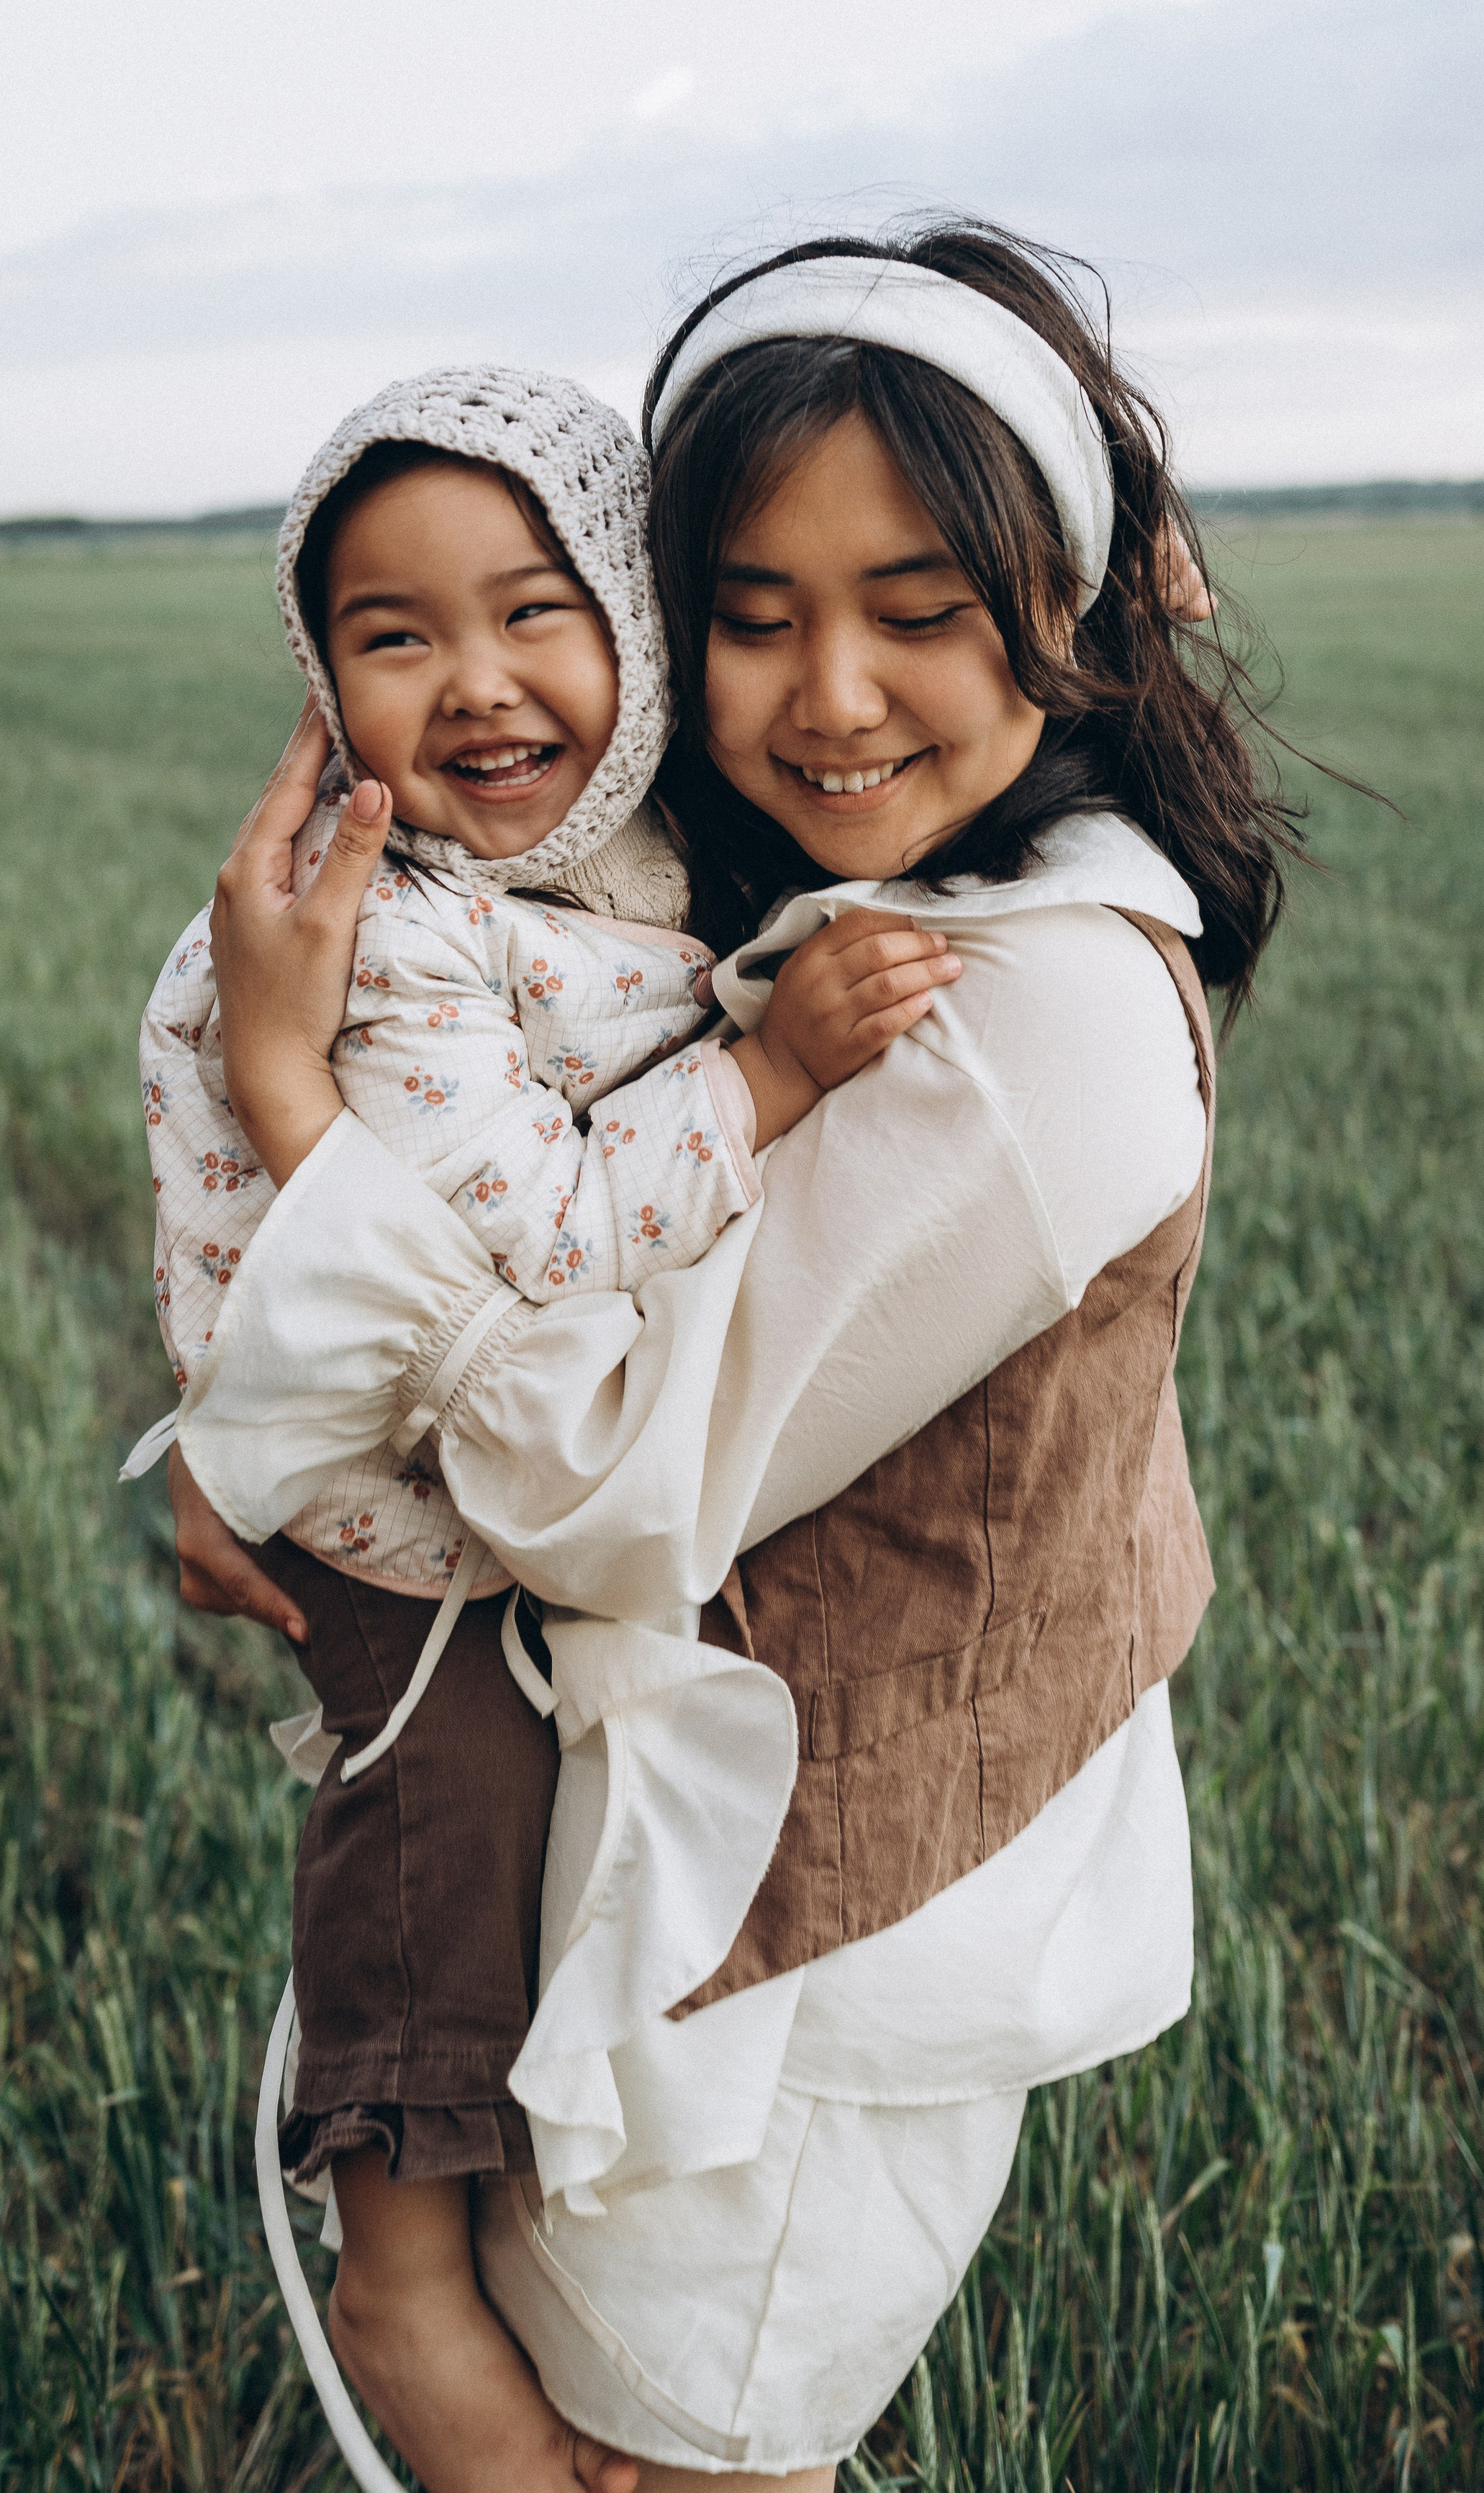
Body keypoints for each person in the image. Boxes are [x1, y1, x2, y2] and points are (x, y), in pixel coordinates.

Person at [169, 222, 1294, 2484]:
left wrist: (296, 1117)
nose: (833, 697)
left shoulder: (1030, 1011)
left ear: (1056, 610)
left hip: (815, 1966)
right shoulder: (826, 908)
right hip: (704, 1898)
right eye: (753, 613)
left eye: (921, 609)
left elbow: (600, 1481)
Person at [135, 363, 958, 2493]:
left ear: (637, 626)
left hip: (472, 1473)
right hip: (386, 1525)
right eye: (394, 638)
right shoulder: (376, 935)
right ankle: (397, 2244)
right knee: (448, 1827)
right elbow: (546, 1238)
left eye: (537, 611)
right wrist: (772, 1083)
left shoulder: (619, 868)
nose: (478, 687)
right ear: (319, 686)